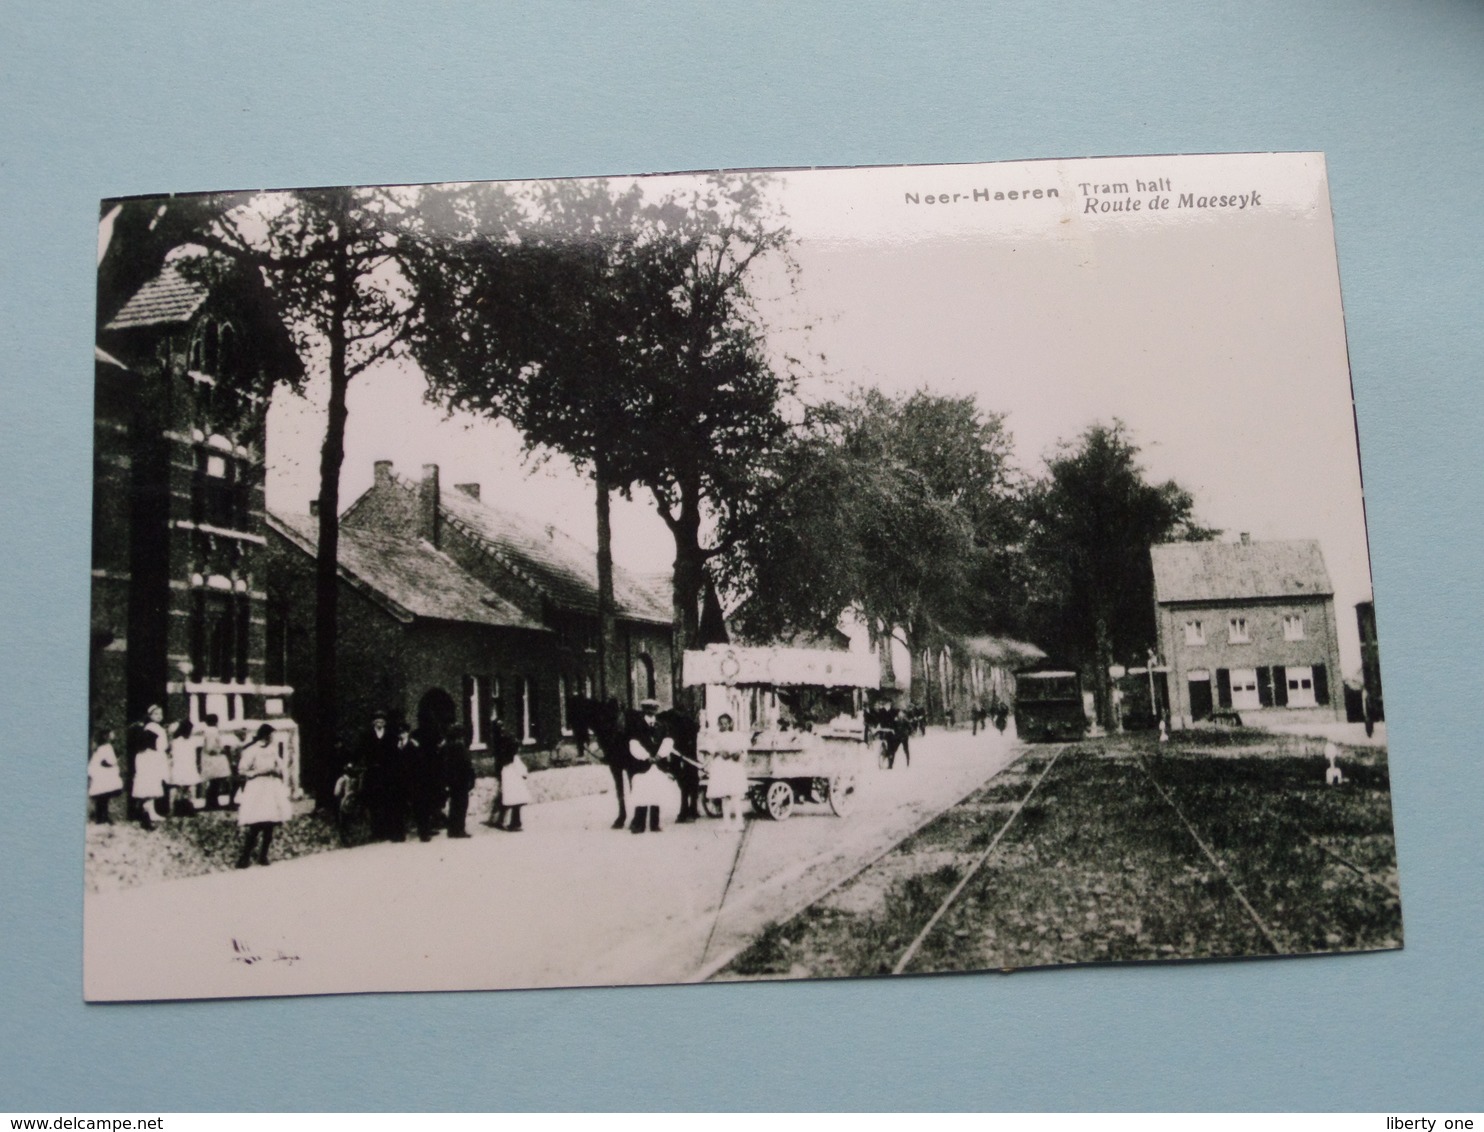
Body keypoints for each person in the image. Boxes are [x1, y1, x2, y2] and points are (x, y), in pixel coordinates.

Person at [236, 723, 292, 867]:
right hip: (257, 788)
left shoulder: (273, 750)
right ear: (265, 735)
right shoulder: (251, 750)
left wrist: (278, 771)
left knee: (270, 824)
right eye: (271, 735)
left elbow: (280, 766)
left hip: (270, 788)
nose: (272, 738)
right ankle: (245, 857)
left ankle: (263, 855)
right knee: (256, 823)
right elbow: (242, 770)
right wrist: (258, 772)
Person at [627, 698, 673, 834]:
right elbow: (634, 744)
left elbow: (668, 741)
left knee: (656, 792)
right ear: (643, 710)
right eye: (648, 708)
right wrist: (647, 757)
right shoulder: (636, 725)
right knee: (641, 793)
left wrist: (659, 756)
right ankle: (639, 824)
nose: (651, 711)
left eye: (653, 709)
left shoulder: (662, 725)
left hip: (657, 765)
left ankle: (655, 824)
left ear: (656, 710)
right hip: (642, 765)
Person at [703, 713, 748, 832]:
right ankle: (726, 822)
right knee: (724, 796)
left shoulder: (736, 735)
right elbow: (711, 749)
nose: (724, 725)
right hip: (721, 767)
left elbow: (743, 750)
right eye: (721, 723)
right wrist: (719, 752)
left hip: (733, 767)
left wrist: (738, 753)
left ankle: (739, 822)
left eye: (726, 723)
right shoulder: (715, 736)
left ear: (730, 724)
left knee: (735, 795)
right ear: (718, 724)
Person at [130, 728, 168, 830]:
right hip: (151, 779)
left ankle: (150, 813)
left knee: (147, 798)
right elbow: (157, 767)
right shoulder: (154, 754)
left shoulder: (138, 754)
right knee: (149, 798)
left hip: (142, 779)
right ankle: (146, 817)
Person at [442, 725, 475, 838]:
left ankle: (452, 830)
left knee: (454, 806)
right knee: (461, 806)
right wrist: (471, 780)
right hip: (461, 781)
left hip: (453, 781)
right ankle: (459, 830)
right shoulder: (460, 747)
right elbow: (466, 765)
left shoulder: (447, 747)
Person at [88, 727, 123, 824]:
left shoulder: (100, 747)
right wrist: (116, 760)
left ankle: (103, 817)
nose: (114, 735)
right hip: (103, 776)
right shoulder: (107, 747)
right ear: (106, 736)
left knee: (103, 798)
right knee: (103, 798)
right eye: (111, 733)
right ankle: (102, 818)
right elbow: (110, 761)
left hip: (101, 774)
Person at [166, 719, 201, 816]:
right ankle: (178, 808)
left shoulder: (177, 741)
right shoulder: (180, 742)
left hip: (185, 767)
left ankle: (182, 808)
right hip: (182, 767)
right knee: (183, 788)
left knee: (183, 788)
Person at [199, 714, 233, 810]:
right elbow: (210, 748)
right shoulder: (212, 731)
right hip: (213, 760)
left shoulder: (208, 731)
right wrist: (220, 750)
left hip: (211, 759)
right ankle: (211, 803)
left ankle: (213, 802)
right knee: (215, 782)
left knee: (215, 782)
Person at [331, 762, 359, 846]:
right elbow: (337, 792)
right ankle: (348, 839)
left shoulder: (346, 780)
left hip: (347, 802)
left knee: (346, 821)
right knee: (347, 821)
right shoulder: (349, 780)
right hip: (349, 802)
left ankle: (348, 839)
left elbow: (336, 792)